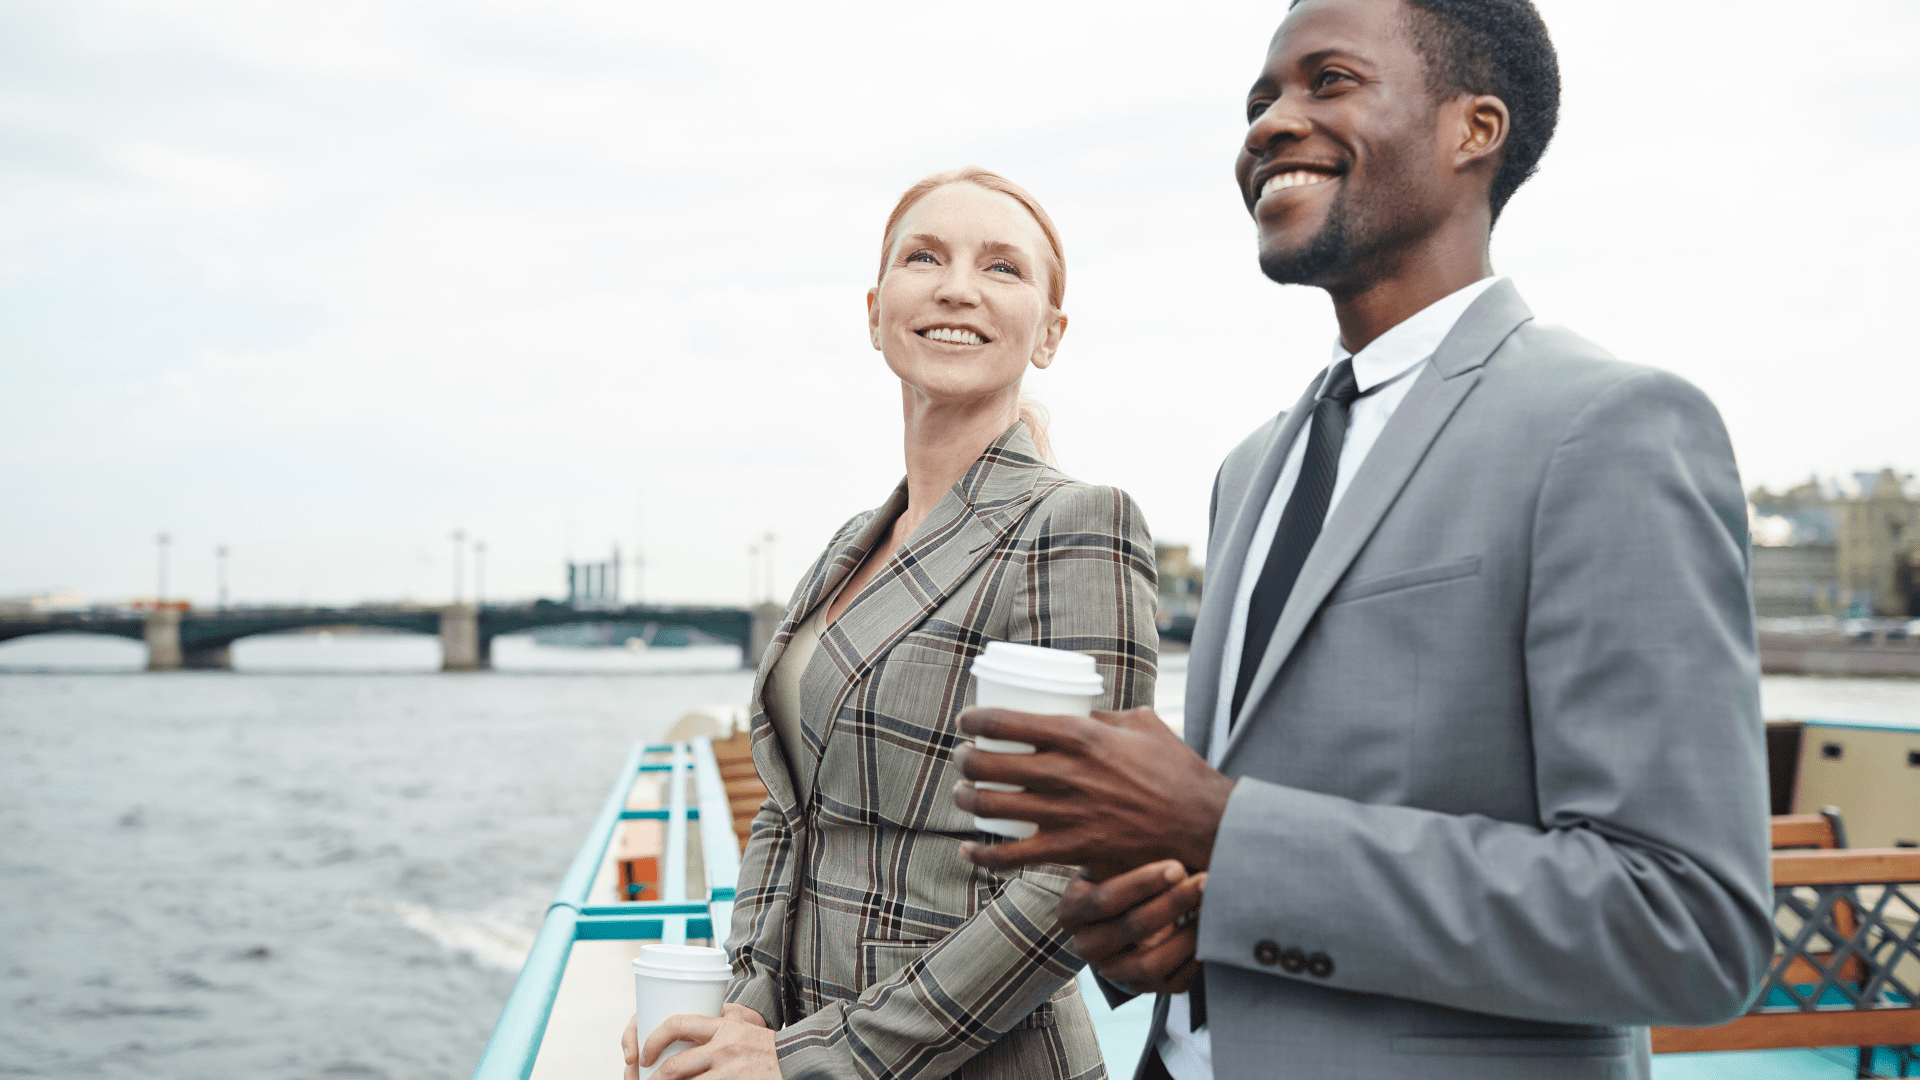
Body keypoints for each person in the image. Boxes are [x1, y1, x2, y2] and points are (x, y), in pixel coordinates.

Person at [953, 1, 1773, 1078]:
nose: (1268, 125)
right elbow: (1260, 867)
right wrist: (1165, 927)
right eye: (1260, 101)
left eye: (1327, 81)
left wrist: (1218, 827)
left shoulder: (1609, 427)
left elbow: (1689, 927)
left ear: (1473, 130)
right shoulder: (1251, 469)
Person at [623, 167, 1159, 1080]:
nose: (957, 287)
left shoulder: (1077, 522)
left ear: (1050, 334)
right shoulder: (846, 548)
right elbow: (789, 817)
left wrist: (816, 1060)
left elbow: (1085, 868)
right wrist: (740, 1016)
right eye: (926, 257)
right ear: (875, 313)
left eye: (1002, 269)